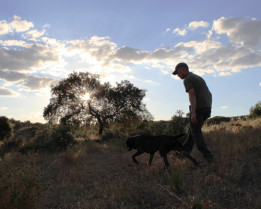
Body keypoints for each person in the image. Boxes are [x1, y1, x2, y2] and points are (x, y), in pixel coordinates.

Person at [172, 62, 214, 162]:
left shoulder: (187, 79)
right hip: (206, 108)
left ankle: (208, 155)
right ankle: (184, 153)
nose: (178, 75)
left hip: (198, 109)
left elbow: (192, 95)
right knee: (192, 131)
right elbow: (210, 93)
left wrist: (194, 113)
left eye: (177, 72)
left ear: (183, 69)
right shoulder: (198, 77)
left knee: (196, 132)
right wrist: (208, 108)